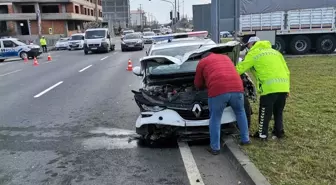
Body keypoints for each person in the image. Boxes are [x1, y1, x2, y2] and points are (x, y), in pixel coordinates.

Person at [194, 52, 250, 155]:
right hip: (237, 88)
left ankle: (215, 148)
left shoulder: (202, 62)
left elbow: (198, 83)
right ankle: (245, 139)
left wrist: (200, 88)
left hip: (218, 90)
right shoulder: (225, 57)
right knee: (240, 112)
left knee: (215, 118)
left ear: (202, 57)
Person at [236, 37, 290, 140]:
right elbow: (286, 71)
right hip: (283, 86)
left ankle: (262, 134)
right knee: (278, 111)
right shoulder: (275, 52)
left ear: (252, 44)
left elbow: (240, 69)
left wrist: (228, 69)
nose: (247, 48)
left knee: (265, 112)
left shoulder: (254, 53)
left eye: (247, 45)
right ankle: (279, 132)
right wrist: (287, 89)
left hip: (269, 88)